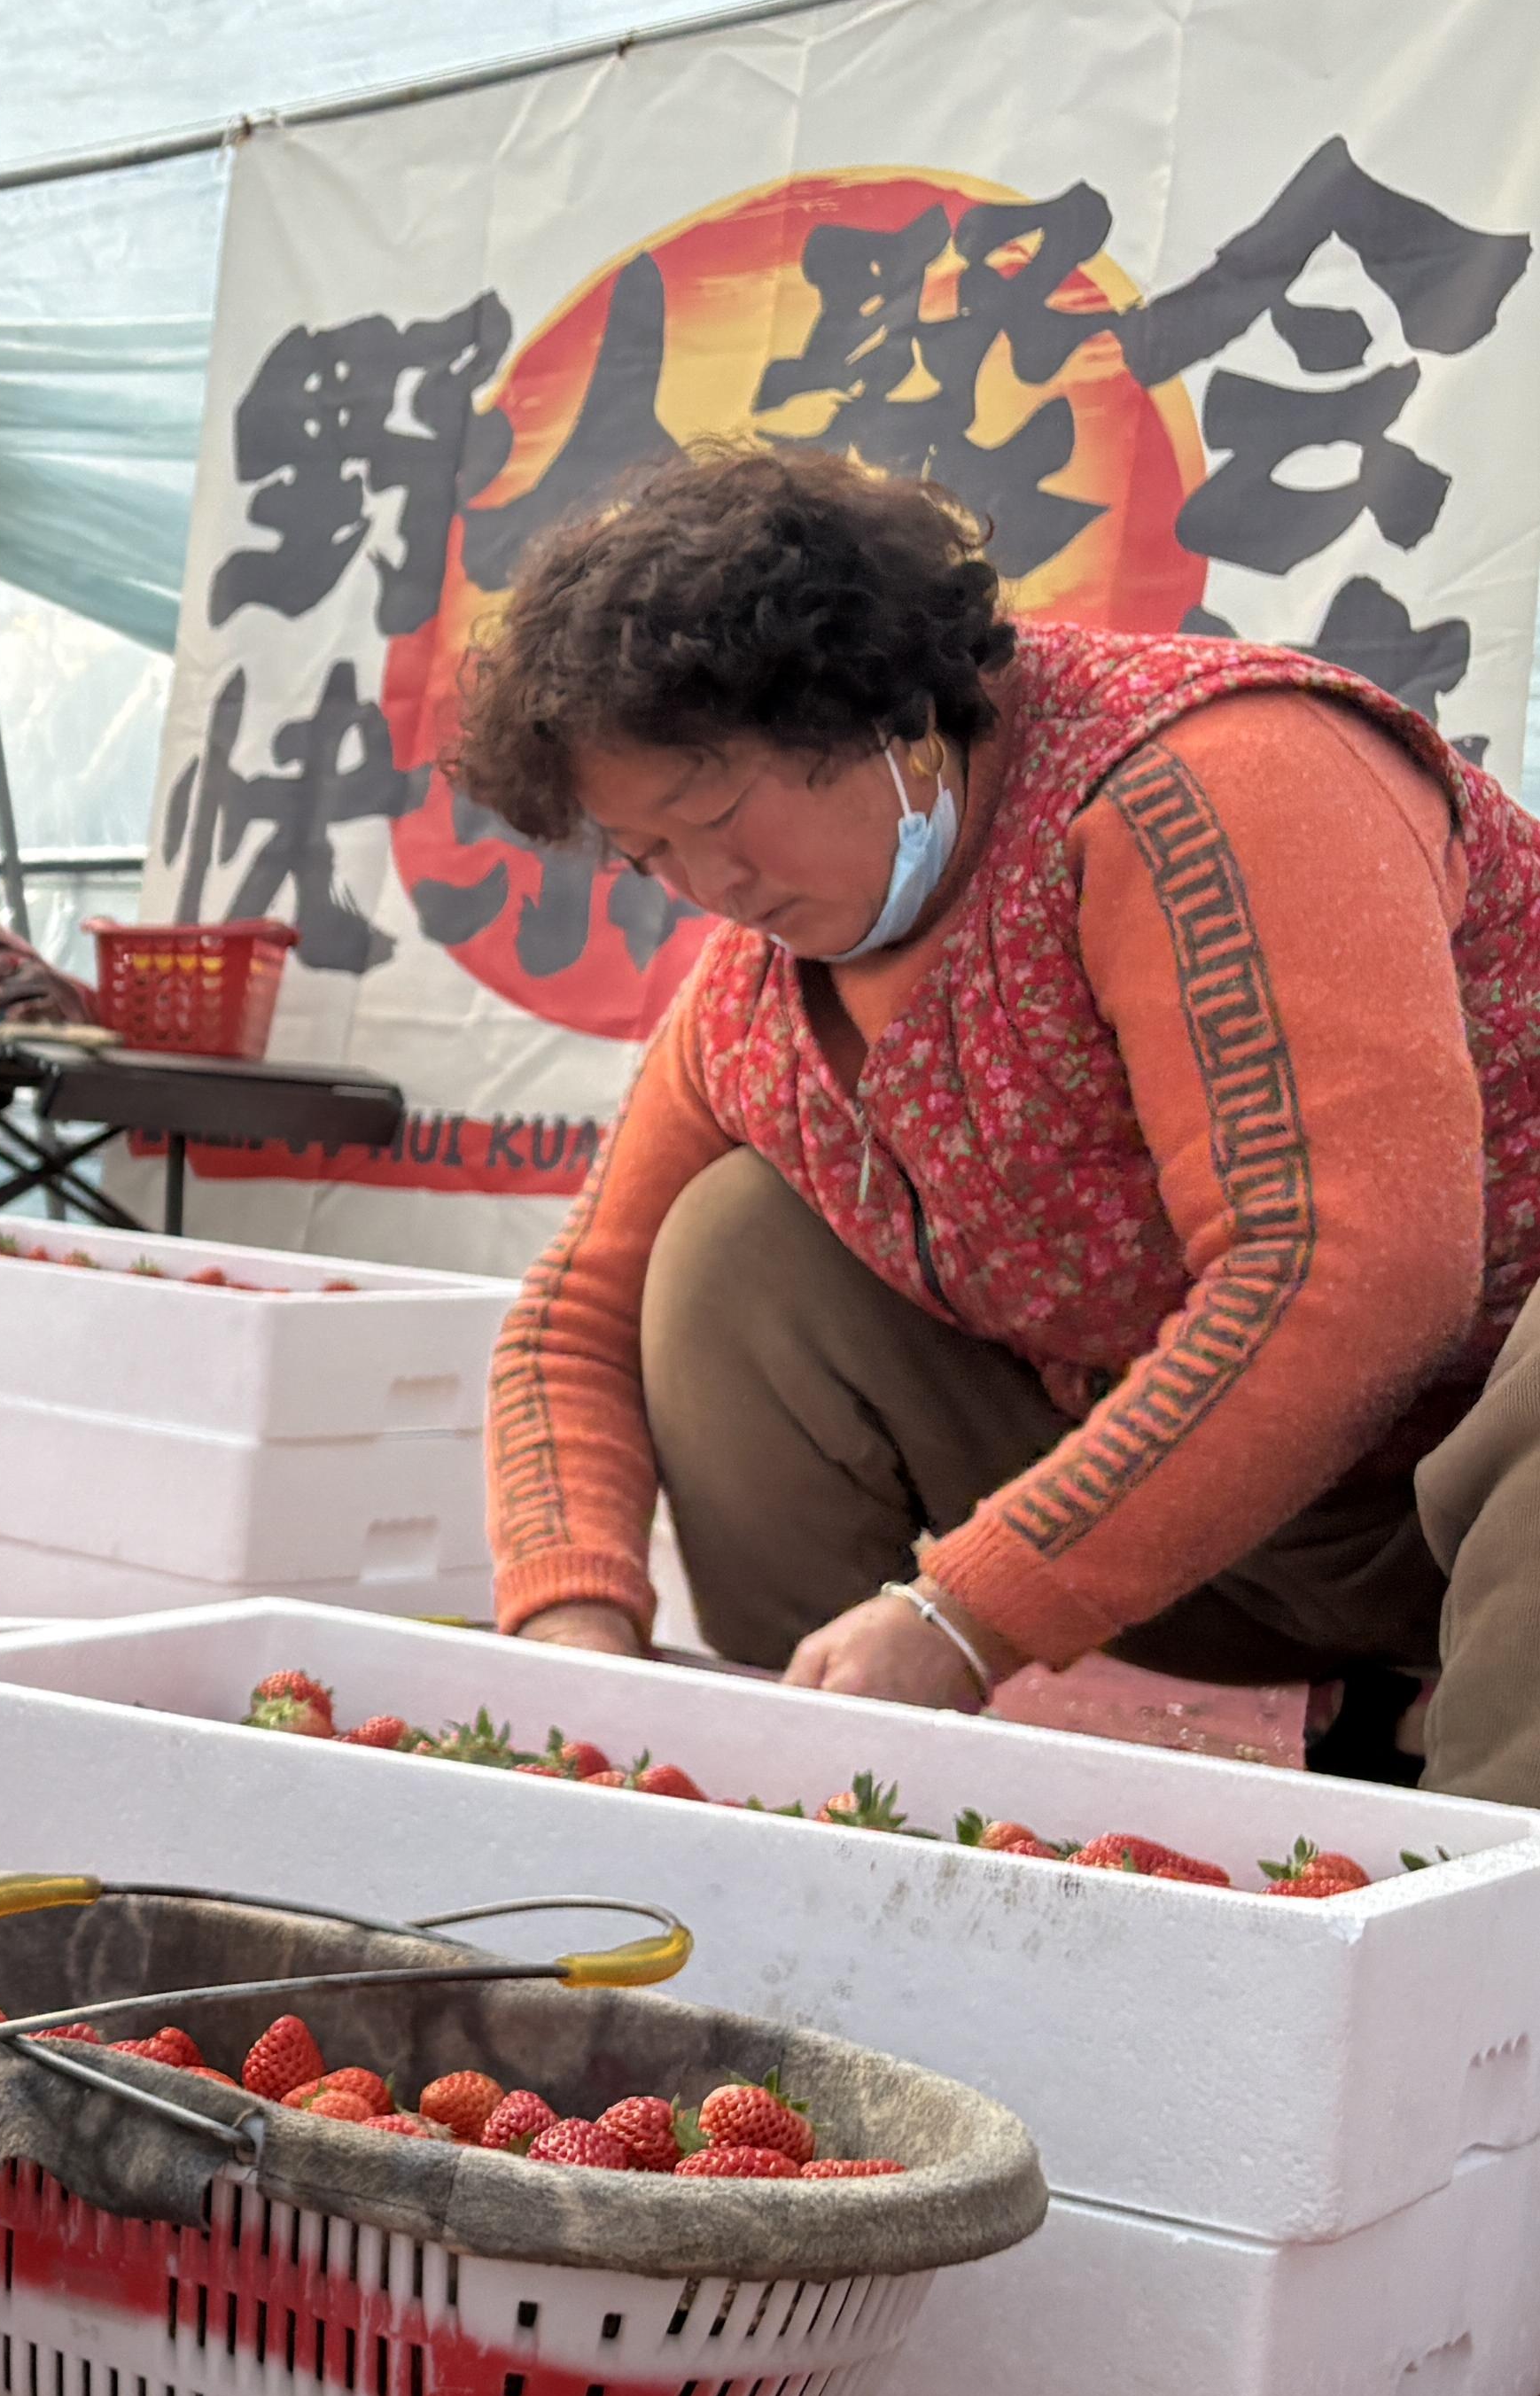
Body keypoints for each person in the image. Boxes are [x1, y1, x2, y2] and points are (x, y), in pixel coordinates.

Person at [455, 438, 1540, 1798]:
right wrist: (569, 1631)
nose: (704, 886)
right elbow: (576, 1317)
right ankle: (809, 1797)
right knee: (729, 1249)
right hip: (1221, 1543)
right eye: (647, 854)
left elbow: (1359, 1276)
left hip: (1478, 1504)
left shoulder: (1218, 778)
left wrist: (961, 1613)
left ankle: (1484, 1877)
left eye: (716, 813)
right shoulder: (756, 999)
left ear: (883, 708)